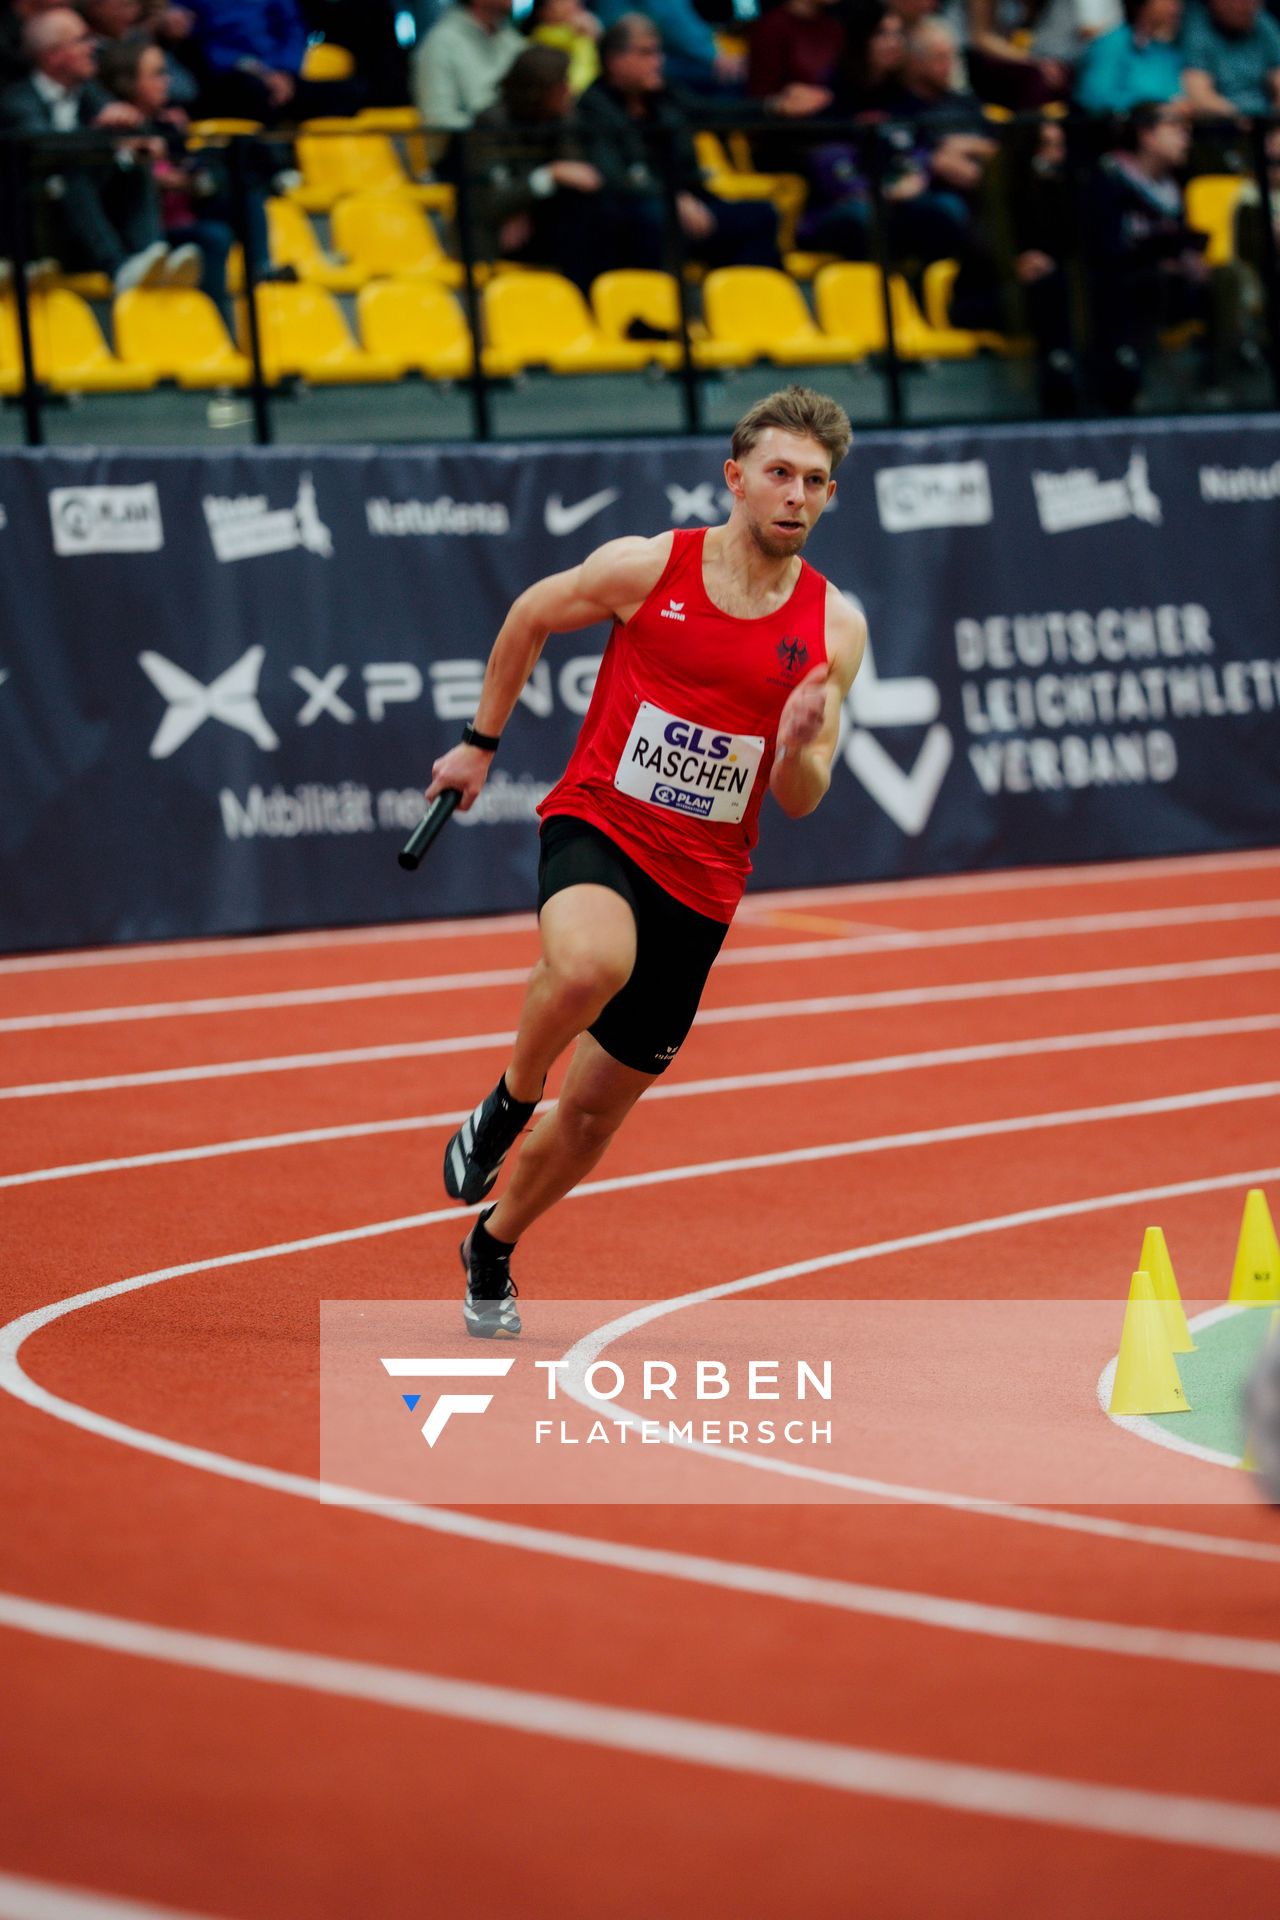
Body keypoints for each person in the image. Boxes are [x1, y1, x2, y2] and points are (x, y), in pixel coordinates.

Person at [424, 385, 865, 1339]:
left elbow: (802, 795)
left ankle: (492, 1246)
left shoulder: (835, 631)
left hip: (704, 882)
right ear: (736, 478)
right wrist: (477, 743)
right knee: (589, 964)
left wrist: (795, 744)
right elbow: (531, 613)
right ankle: (506, 1100)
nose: (796, 496)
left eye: (816, 482)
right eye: (780, 474)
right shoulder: (649, 565)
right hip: (603, 822)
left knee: (591, 1119)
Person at [0, 8, 200, 289]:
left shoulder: (89, 91)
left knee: (132, 163)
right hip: (33, 223)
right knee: (74, 173)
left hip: (88, 216)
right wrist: (104, 136)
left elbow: (126, 129)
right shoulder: (17, 101)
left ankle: (149, 256)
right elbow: (47, 148)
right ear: (53, 56)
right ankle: (118, 268)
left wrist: (139, 135)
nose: (93, 46)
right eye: (82, 40)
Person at [576, 14, 780, 272]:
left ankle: (735, 303)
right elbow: (613, 176)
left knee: (760, 216)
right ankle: (662, 307)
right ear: (614, 60)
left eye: (658, 52)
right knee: (653, 219)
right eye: (646, 53)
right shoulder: (593, 107)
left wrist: (772, 106)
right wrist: (671, 198)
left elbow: (714, 114)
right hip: (636, 213)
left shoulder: (666, 96)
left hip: (687, 203)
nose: (657, 61)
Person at [1086, 96, 1245, 407]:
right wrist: (1161, 261)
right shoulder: (1108, 178)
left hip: (1171, 285)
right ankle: (1132, 390)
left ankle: (1217, 382)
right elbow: (1104, 250)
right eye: (1174, 127)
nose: (1186, 135)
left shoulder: (1174, 185)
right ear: (1146, 134)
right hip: (1123, 290)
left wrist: (1189, 260)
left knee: (1226, 277)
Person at [469, 43, 607, 282]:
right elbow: (491, 200)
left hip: (542, 222)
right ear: (537, 90)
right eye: (562, 83)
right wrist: (550, 174)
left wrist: (525, 205)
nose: (570, 90)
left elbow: (582, 176)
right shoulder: (490, 124)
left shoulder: (564, 118)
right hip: (496, 235)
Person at [413, 0, 524, 131]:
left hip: (516, 142)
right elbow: (436, 118)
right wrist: (490, 126)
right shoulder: (440, 43)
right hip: (468, 147)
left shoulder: (511, 39)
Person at [1074, 0, 1184, 115]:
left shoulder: (1166, 52)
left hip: (1167, 129)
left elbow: (1176, 95)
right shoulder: (1111, 44)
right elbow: (1093, 97)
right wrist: (1151, 106)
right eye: (1170, 2)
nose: (1177, 8)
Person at [1180, 0, 1280, 121]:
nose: (1244, 6)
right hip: (1221, 125)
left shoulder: (1264, 25)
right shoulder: (1197, 29)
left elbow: (1277, 76)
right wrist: (1241, 118)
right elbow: (1200, 96)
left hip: (1266, 119)